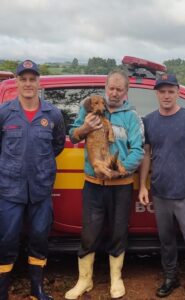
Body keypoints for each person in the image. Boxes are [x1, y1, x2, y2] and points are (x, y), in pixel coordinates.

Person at [65, 69, 144, 299]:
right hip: (93, 183)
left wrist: (120, 172)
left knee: (119, 231)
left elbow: (138, 150)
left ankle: (116, 279)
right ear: (105, 88)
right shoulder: (88, 109)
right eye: (111, 88)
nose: (115, 93)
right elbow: (73, 136)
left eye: (120, 89)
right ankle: (84, 280)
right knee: (89, 232)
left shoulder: (132, 117)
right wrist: (86, 128)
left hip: (121, 184)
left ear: (126, 92)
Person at [138, 74, 185, 300]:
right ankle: (171, 277)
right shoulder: (149, 120)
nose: (167, 95)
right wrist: (142, 185)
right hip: (160, 192)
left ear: (178, 92)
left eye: (171, 91)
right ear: (156, 94)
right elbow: (147, 155)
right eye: (162, 91)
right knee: (166, 240)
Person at [0, 60, 66, 300]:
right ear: (17, 82)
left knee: (39, 237)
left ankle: (37, 288)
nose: (28, 83)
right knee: (6, 239)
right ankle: (2, 289)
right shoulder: (4, 113)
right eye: (23, 79)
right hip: (9, 189)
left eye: (32, 79)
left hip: (40, 189)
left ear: (39, 82)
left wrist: (40, 166)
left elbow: (57, 145)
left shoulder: (53, 114)